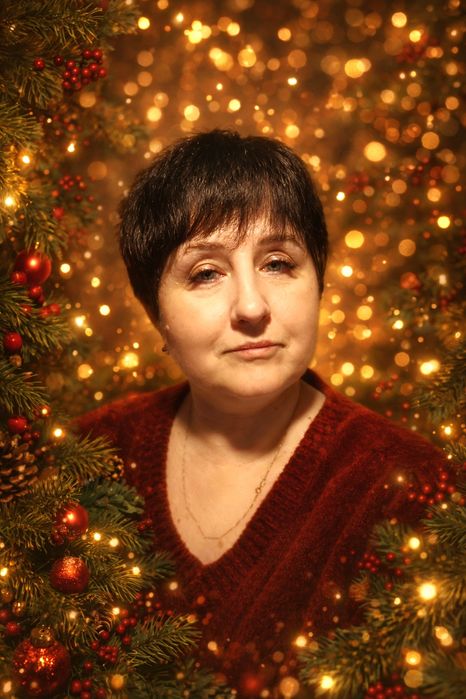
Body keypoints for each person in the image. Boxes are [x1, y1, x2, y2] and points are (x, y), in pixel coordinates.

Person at [75, 129, 447, 697]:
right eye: (206, 273)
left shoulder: (409, 486)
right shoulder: (87, 457)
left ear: (318, 281)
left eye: (278, 263)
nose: (251, 307)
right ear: (155, 314)